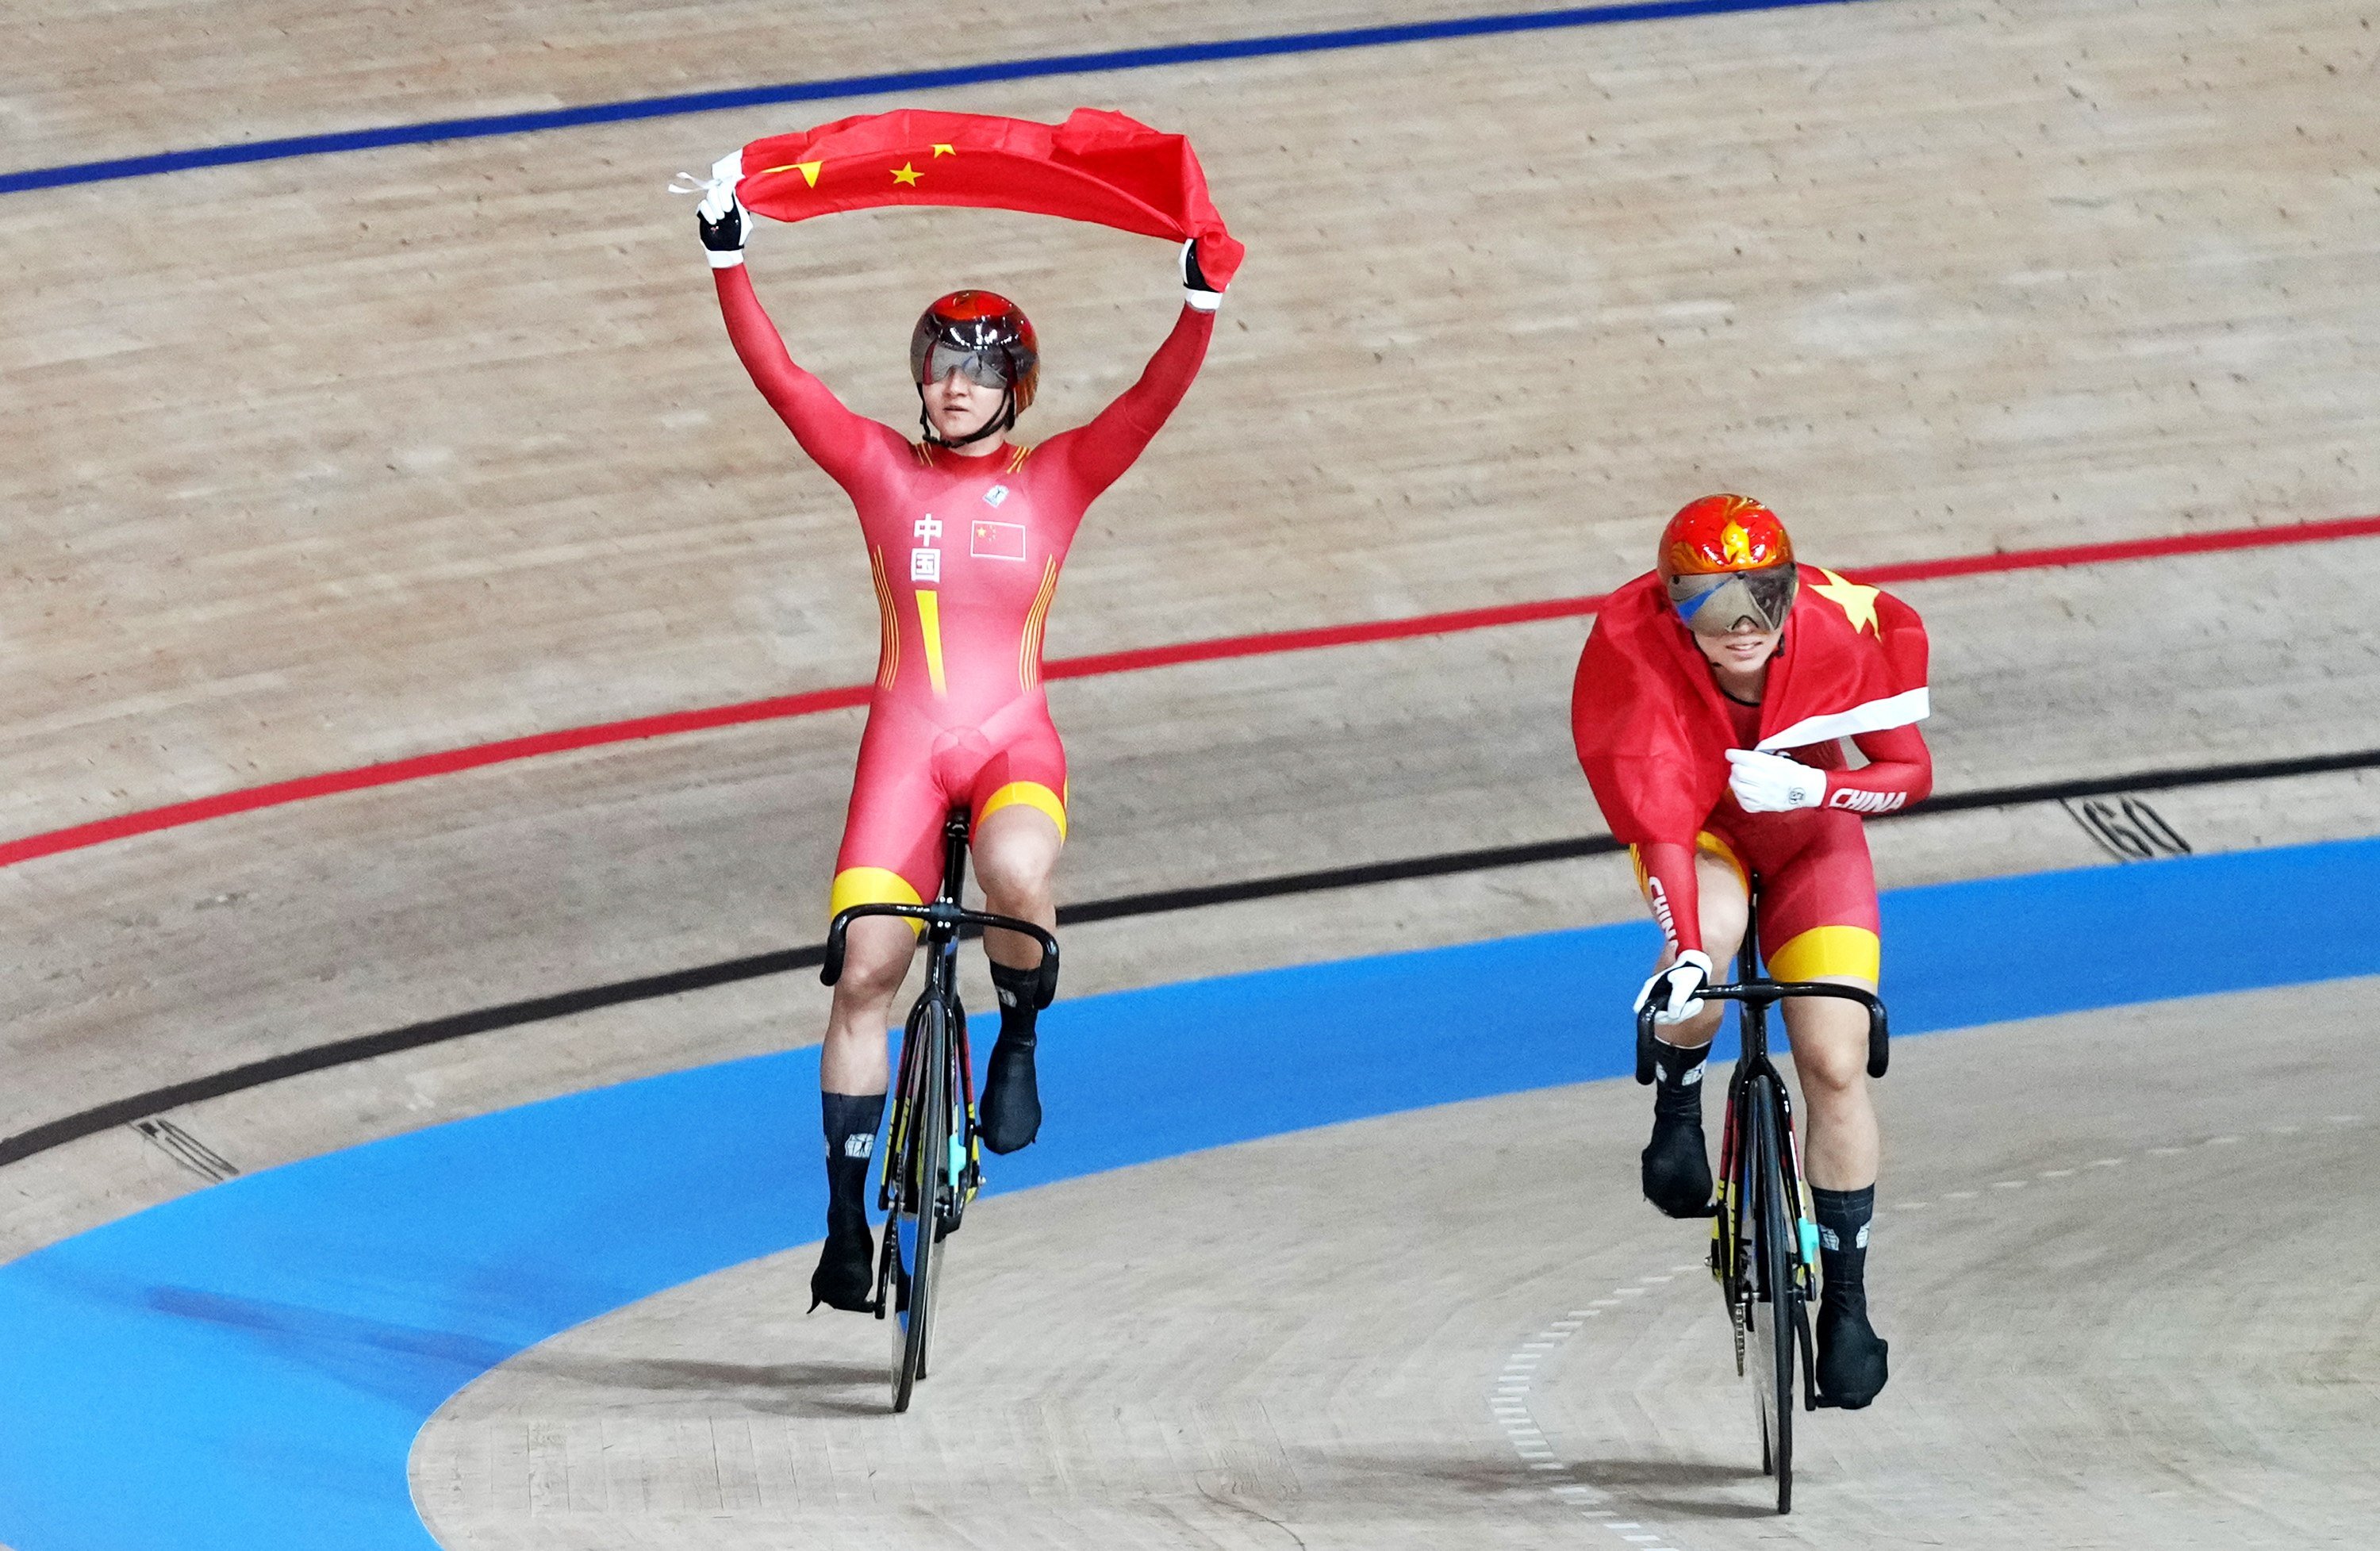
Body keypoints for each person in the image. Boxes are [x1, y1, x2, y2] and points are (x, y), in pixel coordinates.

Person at [695, 177, 1226, 1312]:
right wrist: (729, 262)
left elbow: (1151, 399)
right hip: (905, 745)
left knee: (1018, 873)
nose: (950, 384)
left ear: (1012, 390)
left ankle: (1019, 1036)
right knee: (867, 976)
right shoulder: (882, 469)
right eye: (938, 365)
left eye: (975, 370)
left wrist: (1199, 301)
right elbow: (784, 381)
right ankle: (845, 1219)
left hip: (1009, 741)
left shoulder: (1058, 478)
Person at [1570, 494, 1933, 1409]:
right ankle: (1680, 1101)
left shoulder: (1833, 632)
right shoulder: (1638, 656)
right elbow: (1657, 822)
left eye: (1760, 597)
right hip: (1699, 834)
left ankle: (1847, 1305)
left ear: (1788, 589)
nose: (1741, 626)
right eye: (1708, 603)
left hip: (1813, 836)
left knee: (1835, 1062)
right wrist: (1685, 948)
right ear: (1672, 608)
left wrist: (1823, 784)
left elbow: (1910, 771)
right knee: (1712, 941)